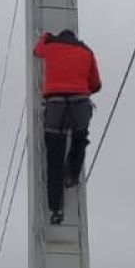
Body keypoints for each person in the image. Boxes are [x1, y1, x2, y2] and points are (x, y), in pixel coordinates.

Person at [33, 29, 101, 224]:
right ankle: (72, 174)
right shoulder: (87, 52)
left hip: (55, 106)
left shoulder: (51, 46)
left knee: (54, 157)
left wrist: (45, 37)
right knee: (80, 139)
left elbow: (36, 51)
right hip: (80, 104)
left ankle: (56, 209)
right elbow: (96, 84)